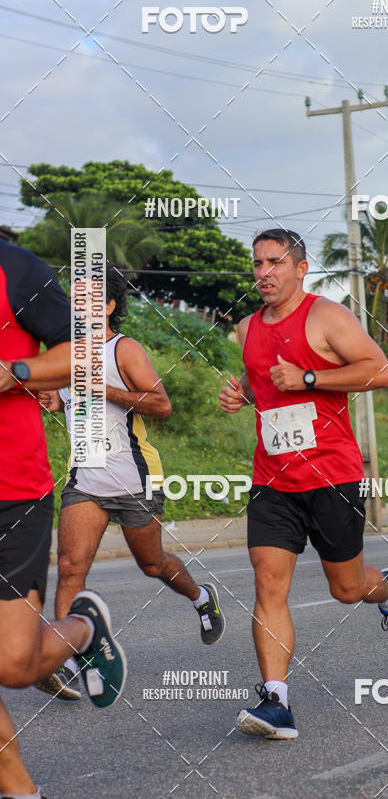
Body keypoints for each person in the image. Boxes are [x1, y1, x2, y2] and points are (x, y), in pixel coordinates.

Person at [218, 228, 388, 740]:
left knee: (347, 588)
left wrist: (309, 379)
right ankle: (276, 702)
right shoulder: (245, 329)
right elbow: (263, 380)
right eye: (257, 263)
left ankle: (387, 590)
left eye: (275, 262)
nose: (263, 272)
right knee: (267, 581)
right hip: (272, 480)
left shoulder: (328, 316)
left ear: (300, 268)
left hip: (332, 476)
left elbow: (380, 371)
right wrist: (241, 393)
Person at [35, 265, 224, 703]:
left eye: (87, 300)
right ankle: (68, 658)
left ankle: (200, 597)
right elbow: (61, 403)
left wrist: (106, 390)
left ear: (109, 306)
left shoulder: (125, 349)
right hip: (85, 477)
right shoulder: (67, 354)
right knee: (68, 566)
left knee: (153, 563)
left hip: (135, 477)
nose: (77, 308)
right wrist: (50, 398)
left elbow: (161, 404)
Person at [0, 240, 126, 799]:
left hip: (12, 491)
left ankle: (83, 629)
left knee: (14, 667)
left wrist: (15, 370)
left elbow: (83, 353)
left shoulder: (16, 268)